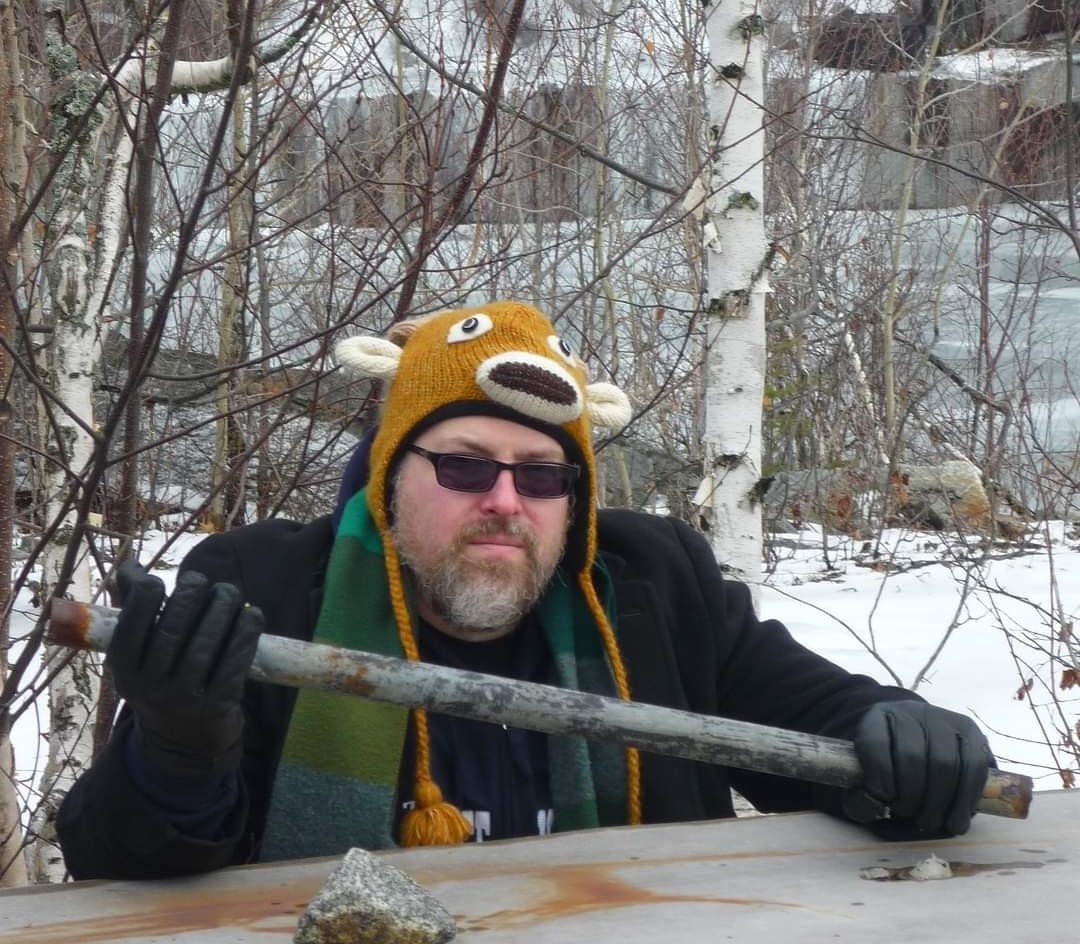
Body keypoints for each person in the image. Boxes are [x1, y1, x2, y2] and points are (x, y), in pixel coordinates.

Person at [57, 300, 994, 880]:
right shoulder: (262, 594)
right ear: (388, 478)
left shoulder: (658, 585)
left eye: (542, 476)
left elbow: (819, 724)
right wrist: (179, 742)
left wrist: (904, 736)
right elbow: (118, 864)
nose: (506, 502)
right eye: (464, 466)